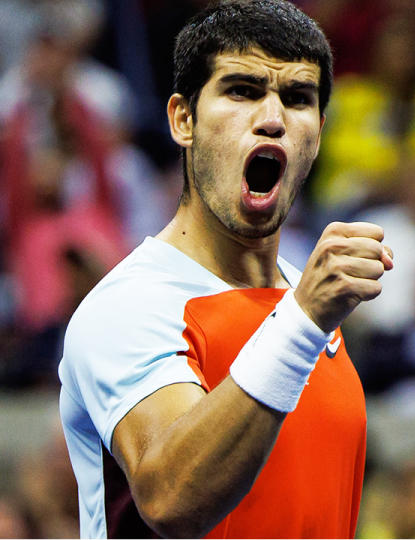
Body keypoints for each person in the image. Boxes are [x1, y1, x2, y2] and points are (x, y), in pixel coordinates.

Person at [57, 1, 394, 538]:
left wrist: (304, 315)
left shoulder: (309, 302)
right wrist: (303, 320)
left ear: (320, 130)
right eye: (242, 90)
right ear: (183, 119)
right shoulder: (127, 306)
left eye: (298, 98)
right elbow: (172, 499)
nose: (272, 119)